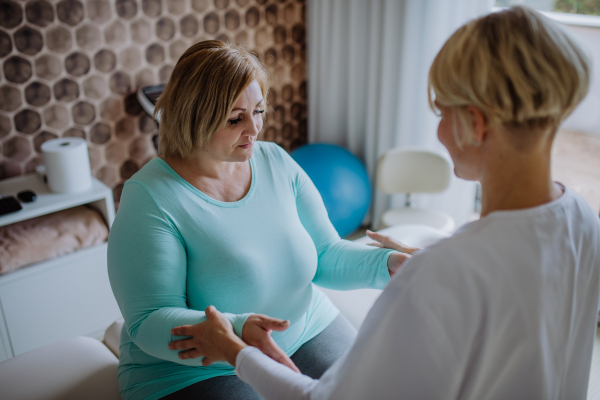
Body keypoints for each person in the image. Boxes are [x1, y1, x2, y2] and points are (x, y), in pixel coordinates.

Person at [169, 7, 600, 399]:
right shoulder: (582, 219)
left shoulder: (443, 274)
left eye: (441, 113)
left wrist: (233, 350)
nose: (439, 134)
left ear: (476, 123)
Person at [107, 40, 409, 400]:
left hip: (305, 327)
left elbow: (326, 254)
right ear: (193, 116)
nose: (255, 129)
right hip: (195, 369)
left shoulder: (275, 161)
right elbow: (149, 320)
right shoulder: (151, 197)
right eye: (236, 118)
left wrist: (391, 265)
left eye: (259, 110)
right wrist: (237, 329)